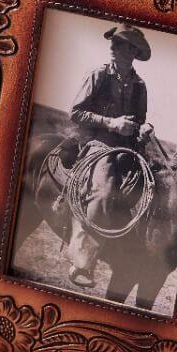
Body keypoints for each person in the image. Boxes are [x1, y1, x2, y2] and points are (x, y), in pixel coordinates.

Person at [65, 23, 153, 286]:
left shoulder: (140, 86)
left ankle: (136, 257)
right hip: (98, 144)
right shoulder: (98, 75)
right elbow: (75, 113)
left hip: (128, 149)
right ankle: (82, 264)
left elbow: (138, 120)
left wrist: (143, 129)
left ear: (134, 52)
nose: (113, 47)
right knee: (104, 192)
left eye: (121, 43)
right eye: (113, 42)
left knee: (152, 189)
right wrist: (111, 123)